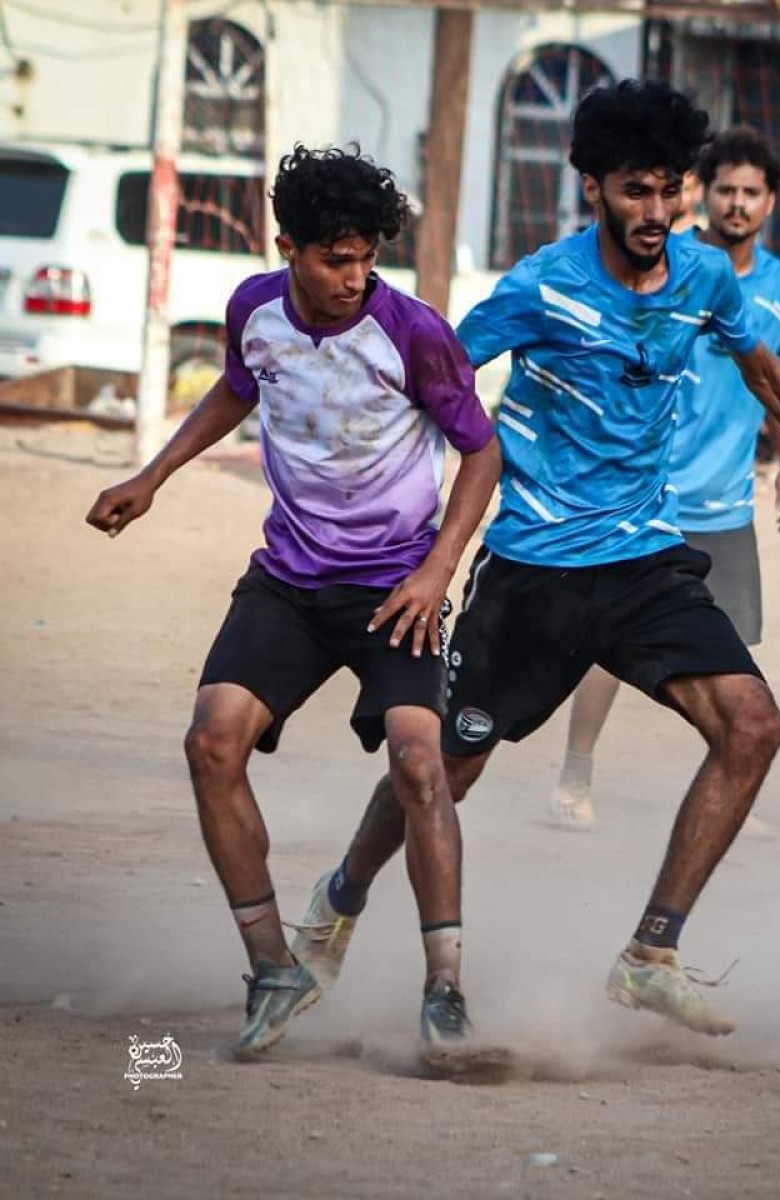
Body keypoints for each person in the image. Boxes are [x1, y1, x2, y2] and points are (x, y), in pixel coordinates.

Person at [297, 81, 780, 1040]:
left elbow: (762, 366)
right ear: (591, 186)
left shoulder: (703, 277)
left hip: (643, 560)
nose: (658, 212)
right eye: (636, 192)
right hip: (531, 573)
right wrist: (379, 505)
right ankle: (340, 899)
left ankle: (650, 954)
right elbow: (438, 380)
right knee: (446, 772)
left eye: (670, 189)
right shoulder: (539, 286)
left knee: (753, 727)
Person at [85, 145, 502, 1058]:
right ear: (289, 249)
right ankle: (274, 966)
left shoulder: (414, 332)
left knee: (421, 765)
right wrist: (153, 474)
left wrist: (437, 569)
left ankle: (444, 992)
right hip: (289, 580)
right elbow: (237, 387)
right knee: (210, 742)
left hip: (396, 587)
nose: (355, 278)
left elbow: (481, 449)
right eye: (334, 259)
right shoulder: (252, 312)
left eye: (366, 258)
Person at [548, 126, 780, 834]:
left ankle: (731, 783)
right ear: (703, 194)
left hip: (726, 503)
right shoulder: (669, 269)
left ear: (770, 202)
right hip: (647, 498)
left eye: (751, 192)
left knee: (731, 654)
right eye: (725, 189)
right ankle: (574, 773)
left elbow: (779, 380)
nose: (737, 203)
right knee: (611, 644)